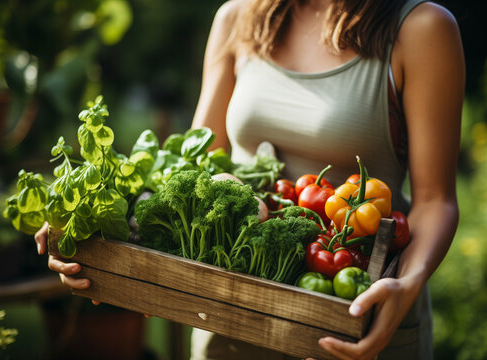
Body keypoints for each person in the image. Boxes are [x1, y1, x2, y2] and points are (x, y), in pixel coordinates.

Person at [35, 0, 464, 359]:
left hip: (357, 319)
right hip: (227, 318)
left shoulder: (420, 29)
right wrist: (98, 237)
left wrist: (406, 285)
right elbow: (194, 162)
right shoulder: (239, 18)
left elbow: (435, 199)